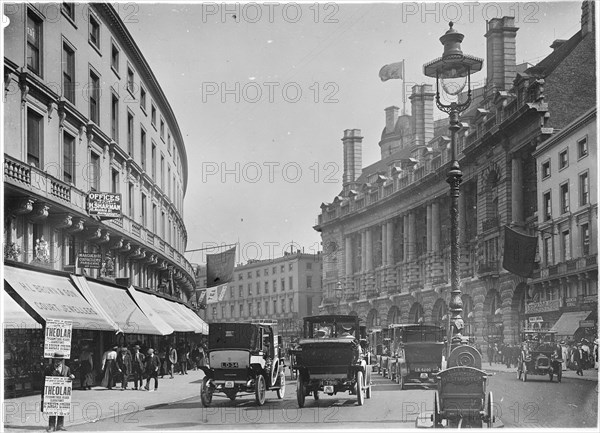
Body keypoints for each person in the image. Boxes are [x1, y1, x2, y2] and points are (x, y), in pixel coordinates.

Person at [42, 353, 75, 432]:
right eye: (56, 360)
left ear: (62, 360)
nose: (58, 362)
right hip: (52, 393)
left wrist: (72, 376)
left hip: (62, 393)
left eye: (60, 360)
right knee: (52, 408)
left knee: (62, 407)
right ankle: (51, 426)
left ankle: (60, 425)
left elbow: (69, 375)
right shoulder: (48, 368)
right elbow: (44, 380)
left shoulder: (66, 368)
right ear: (54, 360)